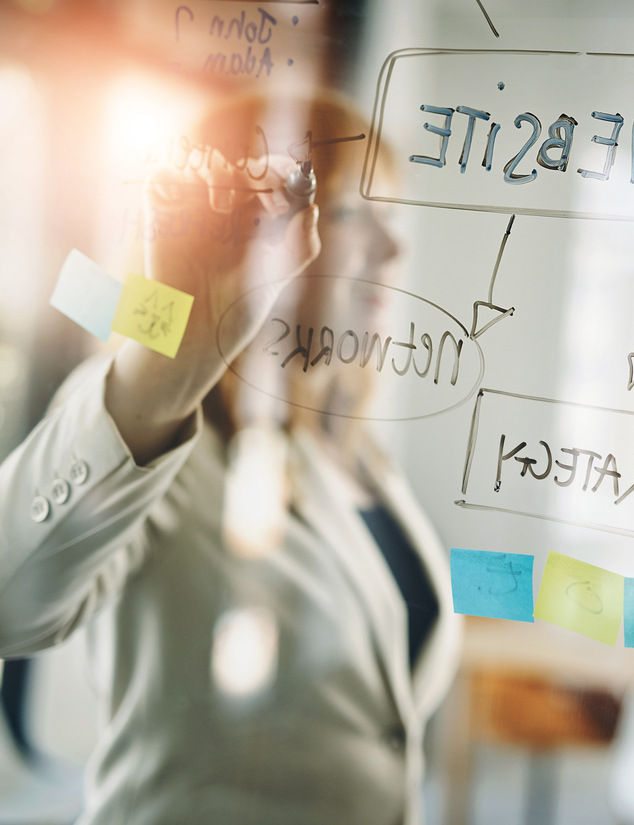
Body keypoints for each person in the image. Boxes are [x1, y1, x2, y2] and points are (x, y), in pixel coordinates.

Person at [0, 90, 461, 824]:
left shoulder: (351, 443)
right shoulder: (152, 416)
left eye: (392, 218)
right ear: (246, 226)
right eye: (352, 215)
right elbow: (7, 598)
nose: (392, 248)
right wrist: (168, 360)